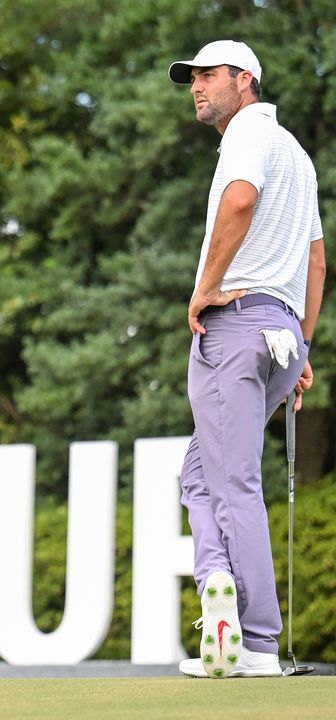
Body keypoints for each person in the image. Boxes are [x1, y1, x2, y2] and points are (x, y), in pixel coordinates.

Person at [167, 40, 325, 678]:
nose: (198, 87)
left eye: (209, 75)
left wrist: (205, 286)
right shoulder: (301, 158)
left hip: (235, 328)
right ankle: (217, 584)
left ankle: (256, 641)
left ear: (245, 79)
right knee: (200, 476)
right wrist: (303, 346)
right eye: (194, 78)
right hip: (282, 332)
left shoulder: (248, 136)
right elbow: (315, 262)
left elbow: (238, 202)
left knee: (230, 485)